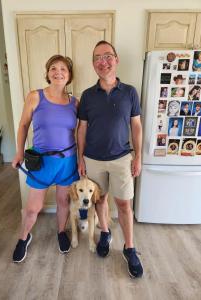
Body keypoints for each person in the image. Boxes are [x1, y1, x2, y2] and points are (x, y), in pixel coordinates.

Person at [77, 41, 143, 278]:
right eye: (97, 57)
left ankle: (129, 248)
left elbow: (136, 126)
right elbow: (81, 130)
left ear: (116, 60)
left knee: (124, 204)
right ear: (93, 64)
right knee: (99, 200)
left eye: (107, 56)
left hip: (122, 158)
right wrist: (80, 159)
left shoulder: (130, 92)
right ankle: (105, 233)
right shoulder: (86, 96)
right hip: (93, 159)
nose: (102, 61)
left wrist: (138, 157)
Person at [12, 55, 79, 263]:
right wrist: (19, 152)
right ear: (48, 72)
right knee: (33, 208)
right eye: (53, 68)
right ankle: (24, 238)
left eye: (63, 69)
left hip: (68, 161)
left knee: (63, 201)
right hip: (41, 162)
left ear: (69, 76)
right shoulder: (35, 96)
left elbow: (81, 132)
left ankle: (61, 232)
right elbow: (23, 125)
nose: (58, 72)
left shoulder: (75, 103)